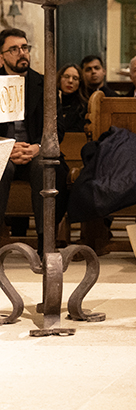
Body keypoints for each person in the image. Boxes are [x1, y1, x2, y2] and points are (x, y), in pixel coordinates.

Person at [0, 28, 68, 251]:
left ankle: (45, 241)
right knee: (2, 167)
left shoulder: (44, 84)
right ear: (1, 57)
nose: (22, 53)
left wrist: (39, 147)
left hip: (35, 152)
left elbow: (58, 126)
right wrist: (5, 146)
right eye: (14, 49)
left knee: (45, 167)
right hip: (4, 152)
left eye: (24, 48)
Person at [57, 63, 88, 133]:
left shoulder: (84, 106)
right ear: (59, 79)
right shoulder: (50, 103)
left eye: (75, 78)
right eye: (66, 76)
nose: (70, 81)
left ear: (80, 82)